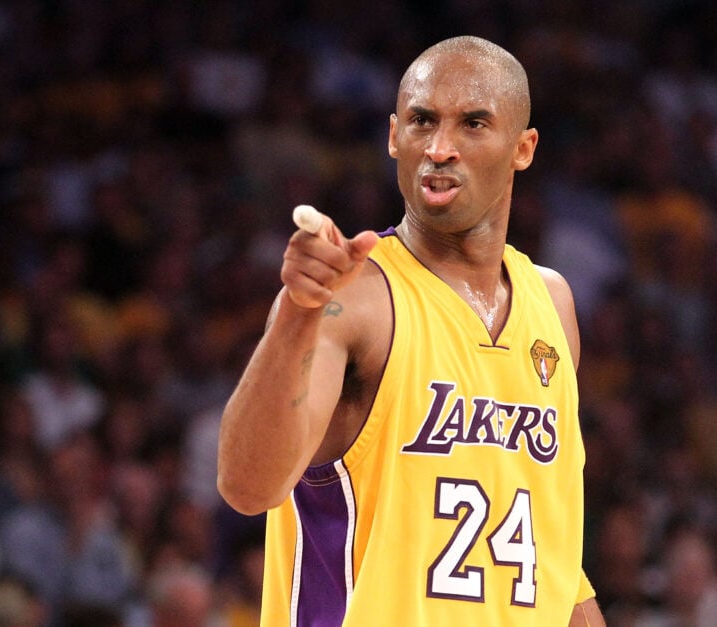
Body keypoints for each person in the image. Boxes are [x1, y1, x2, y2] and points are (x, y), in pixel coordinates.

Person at [217, 35, 605, 626]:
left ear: (523, 148)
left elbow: (557, 562)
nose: (441, 148)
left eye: (473, 124)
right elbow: (247, 486)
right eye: (423, 121)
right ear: (395, 135)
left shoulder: (552, 304)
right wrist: (297, 311)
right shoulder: (352, 300)